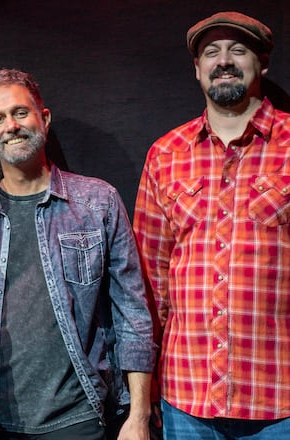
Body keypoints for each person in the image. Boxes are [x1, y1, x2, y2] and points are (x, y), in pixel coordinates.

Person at [0, 69, 157, 440]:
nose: (11, 126)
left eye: (20, 112)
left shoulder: (98, 203)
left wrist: (139, 414)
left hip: (78, 417)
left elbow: (132, 312)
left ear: (44, 119)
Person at [133, 11, 290, 439]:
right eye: (211, 52)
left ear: (262, 63)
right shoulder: (165, 155)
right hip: (187, 398)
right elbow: (149, 284)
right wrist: (144, 392)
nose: (224, 61)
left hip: (279, 397)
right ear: (197, 68)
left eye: (238, 50)